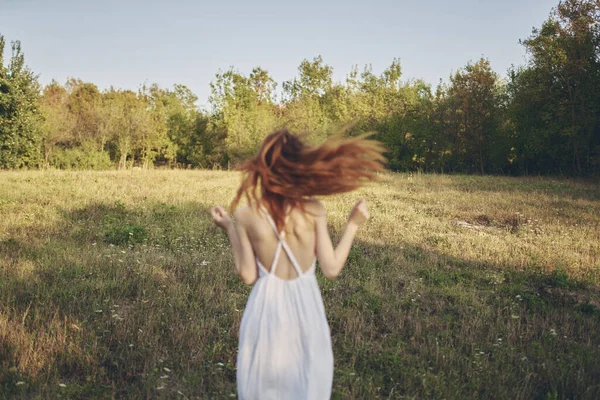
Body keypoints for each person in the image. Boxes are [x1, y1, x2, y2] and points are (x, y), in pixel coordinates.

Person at [211, 130, 385, 400]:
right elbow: (331, 269)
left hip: (265, 309)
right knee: (306, 380)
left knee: (264, 384)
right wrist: (353, 224)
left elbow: (247, 275)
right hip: (306, 307)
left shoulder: (245, 216)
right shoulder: (314, 209)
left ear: (262, 167)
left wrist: (229, 228)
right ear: (298, 166)